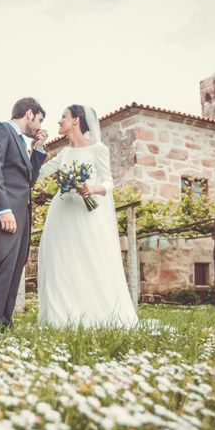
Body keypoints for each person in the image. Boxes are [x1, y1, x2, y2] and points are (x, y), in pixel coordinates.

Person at [36, 104, 139, 328]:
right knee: (60, 262)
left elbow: (109, 182)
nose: (59, 121)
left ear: (76, 120)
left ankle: (92, 313)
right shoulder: (64, 153)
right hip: (62, 212)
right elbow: (38, 173)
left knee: (86, 260)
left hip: (85, 213)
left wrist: (92, 189)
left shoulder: (98, 149)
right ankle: (59, 318)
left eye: (63, 117)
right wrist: (37, 147)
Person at [0, 97, 48, 332]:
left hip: (21, 216)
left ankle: (2, 326)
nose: (38, 126)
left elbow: (28, 181)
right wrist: (3, 209)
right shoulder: (0, 129)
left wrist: (37, 150)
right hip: (3, 213)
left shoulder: (23, 143)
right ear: (29, 114)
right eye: (38, 120)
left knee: (14, 270)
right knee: (0, 269)